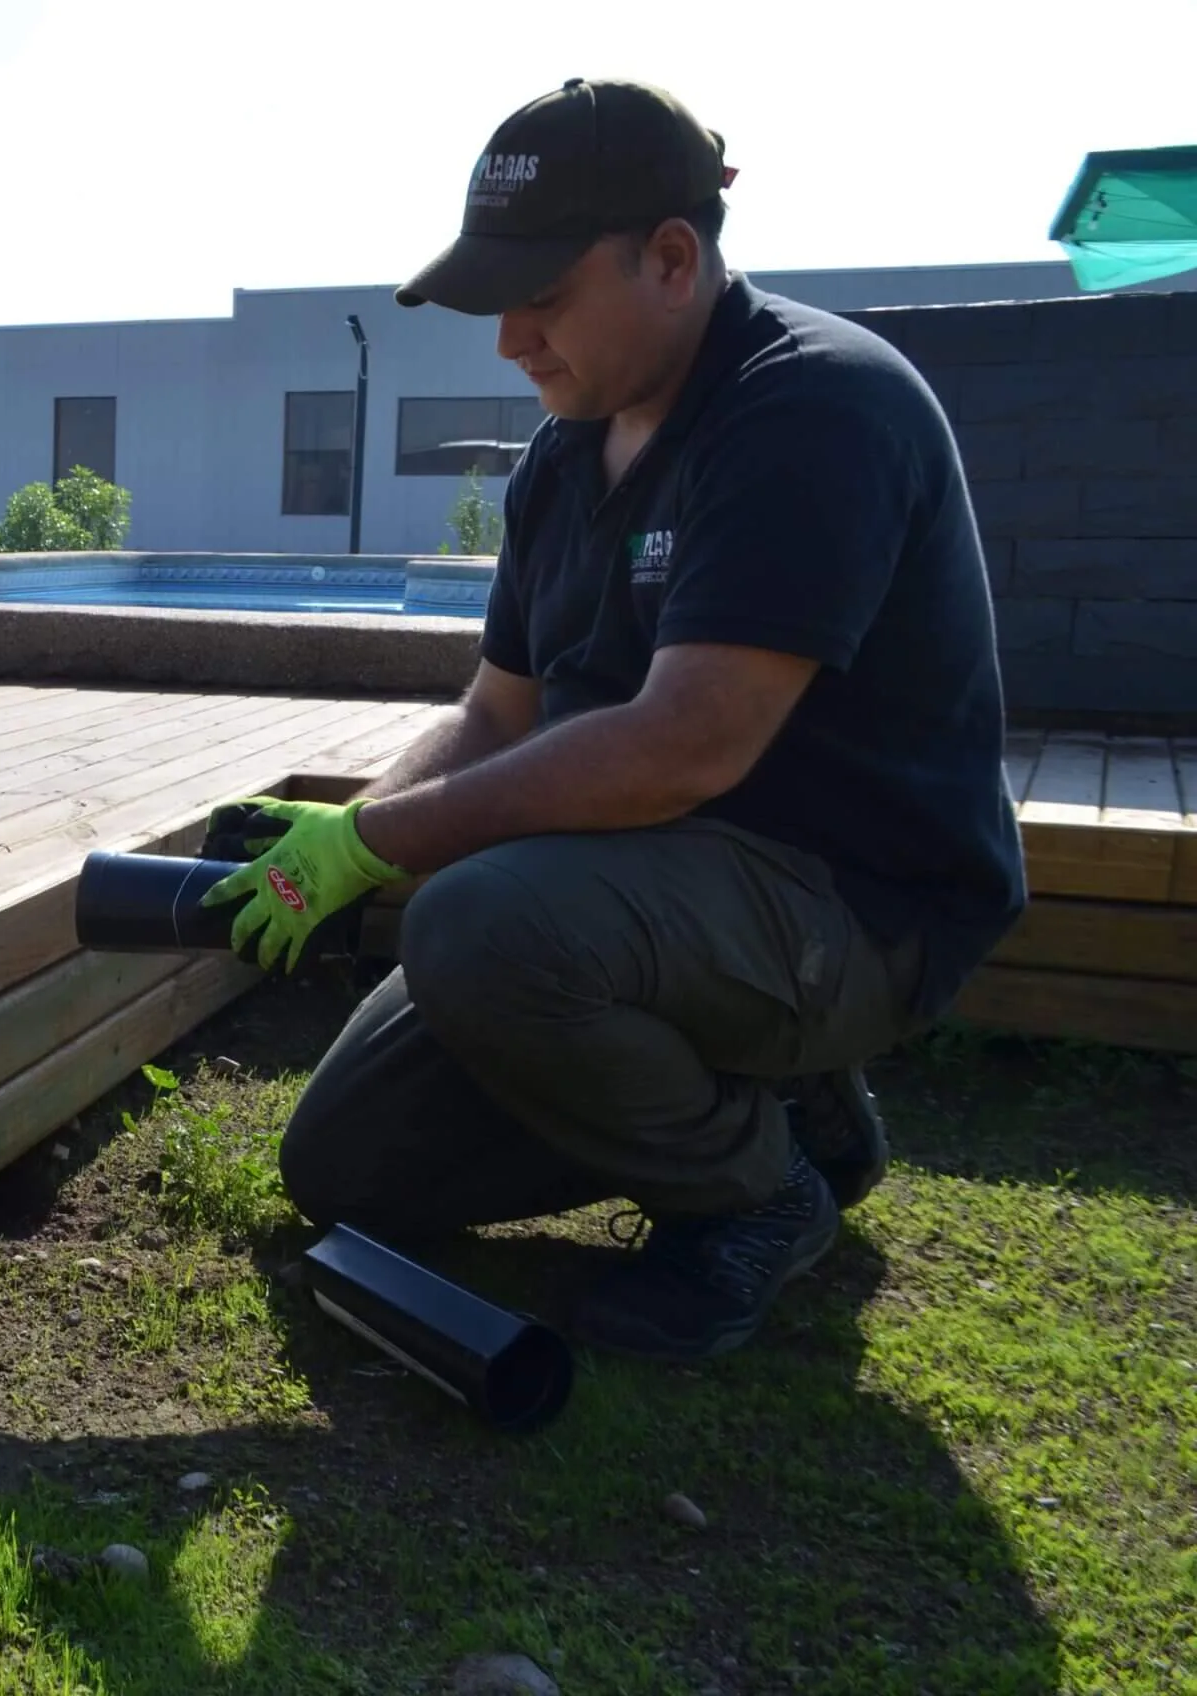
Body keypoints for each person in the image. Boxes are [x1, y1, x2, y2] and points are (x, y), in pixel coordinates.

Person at [204, 78, 1026, 1361]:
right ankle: (779, 1098)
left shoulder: (812, 409)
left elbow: (683, 745)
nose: (508, 340)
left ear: (672, 258)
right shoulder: (561, 455)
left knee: (471, 922)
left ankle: (755, 1194)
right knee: (345, 1165)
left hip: (848, 904)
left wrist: (383, 847)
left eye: (540, 295)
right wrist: (345, 829)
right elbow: (497, 716)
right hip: (650, 897)